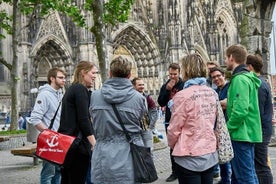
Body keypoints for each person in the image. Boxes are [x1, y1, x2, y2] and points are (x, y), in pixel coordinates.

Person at [89, 56, 147, 184]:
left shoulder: (94, 96)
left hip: (102, 158)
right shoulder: (140, 99)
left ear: (110, 73)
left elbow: (93, 122)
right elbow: (145, 129)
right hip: (130, 158)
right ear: (129, 75)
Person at [167, 53, 221, 184]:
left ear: (185, 70)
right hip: (209, 152)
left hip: (188, 156)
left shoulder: (182, 96)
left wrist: (174, 145)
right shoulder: (212, 93)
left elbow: (174, 129)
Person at [225, 44, 262, 184]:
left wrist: (227, 129)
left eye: (226, 58)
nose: (225, 61)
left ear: (232, 57)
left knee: (245, 178)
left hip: (240, 134)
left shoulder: (240, 79)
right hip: (248, 133)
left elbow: (240, 111)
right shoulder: (247, 77)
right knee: (247, 175)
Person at [58, 61, 97, 184]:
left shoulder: (71, 89)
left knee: (67, 180)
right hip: (77, 145)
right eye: (93, 73)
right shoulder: (80, 89)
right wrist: (94, 143)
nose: (95, 76)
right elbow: (83, 119)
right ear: (83, 73)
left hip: (67, 143)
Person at [30, 67, 66, 184]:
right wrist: (50, 134)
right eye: (60, 78)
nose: (64, 80)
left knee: (58, 172)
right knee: (48, 174)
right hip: (50, 141)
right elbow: (35, 119)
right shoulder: (45, 94)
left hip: (59, 140)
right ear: (52, 78)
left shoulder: (60, 94)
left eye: (64, 78)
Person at [246, 54, 273, 184]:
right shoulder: (262, 82)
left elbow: (259, 113)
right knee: (260, 165)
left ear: (250, 67)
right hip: (262, 130)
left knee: (261, 167)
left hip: (261, 131)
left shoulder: (259, 85)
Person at [157, 63, 184, 182]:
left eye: (175, 74)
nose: (172, 76)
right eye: (171, 74)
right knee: (172, 148)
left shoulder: (184, 85)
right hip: (170, 120)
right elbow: (161, 102)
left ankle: (184, 171)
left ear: (179, 73)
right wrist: (167, 90)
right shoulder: (165, 86)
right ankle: (175, 172)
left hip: (182, 121)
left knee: (183, 145)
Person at [210, 67, 232, 184]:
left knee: (230, 157)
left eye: (218, 76)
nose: (216, 79)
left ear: (224, 75)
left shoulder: (229, 87)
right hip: (219, 127)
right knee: (222, 156)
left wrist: (217, 104)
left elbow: (228, 103)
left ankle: (229, 180)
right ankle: (224, 180)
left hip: (229, 126)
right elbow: (222, 104)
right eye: (213, 77)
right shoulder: (216, 91)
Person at [132, 77, 158, 150]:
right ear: (133, 86)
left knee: (149, 150)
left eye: (143, 85)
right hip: (134, 129)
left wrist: (150, 126)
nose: (142, 87)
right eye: (139, 85)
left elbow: (154, 112)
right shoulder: (129, 98)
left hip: (146, 129)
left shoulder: (147, 97)